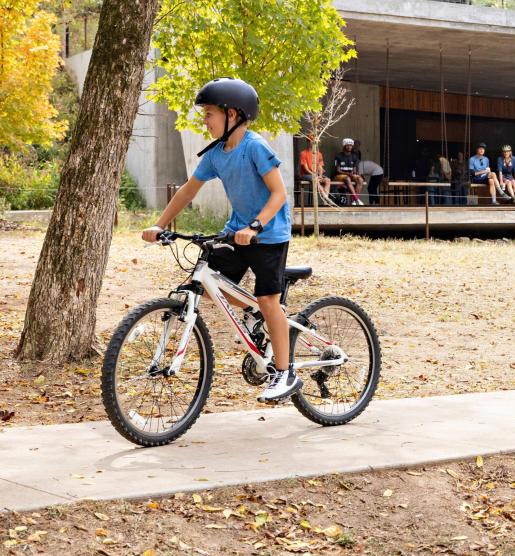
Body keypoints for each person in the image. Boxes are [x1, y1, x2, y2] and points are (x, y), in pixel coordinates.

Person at [140, 78, 300, 403]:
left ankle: (285, 373)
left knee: (269, 299)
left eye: (209, 113)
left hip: (268, 235)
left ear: (233, 114)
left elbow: (279, 193)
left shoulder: (255, 147)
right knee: (211, 287)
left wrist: (256, 225)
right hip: (236, 231)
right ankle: (259, 315)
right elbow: (187, 190)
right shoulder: (215, 154)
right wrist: (159, 225)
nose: (204, 120)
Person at [297, 139, 334, 206]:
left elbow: (320, 167)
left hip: (316, 175)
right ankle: (325, 197)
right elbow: (306, 169)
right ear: (308, 142)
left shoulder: (319, 154)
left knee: (328, 180)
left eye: (315, 141)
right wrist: (315, 175)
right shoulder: (303, 153)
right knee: (315, 179)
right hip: (306, 174)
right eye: (312, 140)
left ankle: (325, 200)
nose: (314, 142)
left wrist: (320, 175)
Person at [333, 138, 364, 206]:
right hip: (340, 175)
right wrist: (348, 174)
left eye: (351, 145)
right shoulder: (338, 156)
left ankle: (354, 200)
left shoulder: (354, 156)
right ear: (344, 146)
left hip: (350, 175)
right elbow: (337, 170)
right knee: (347, 178)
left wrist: (354, 174)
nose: (349, 147)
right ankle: (356, 199)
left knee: (360, 179)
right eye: (347, 145)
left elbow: (354, 169)